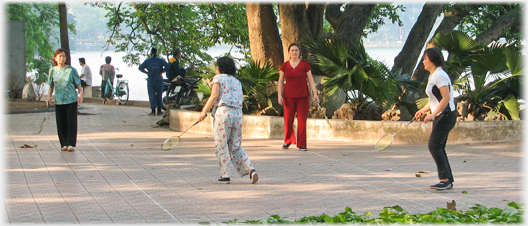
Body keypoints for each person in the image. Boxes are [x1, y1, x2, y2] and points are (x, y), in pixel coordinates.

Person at [199, 56, 258, 184]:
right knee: (236, 146)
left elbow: (214, 95)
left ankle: (225, 175)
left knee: (222, 145)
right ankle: (250, 169)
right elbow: (241, 98)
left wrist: (204, 111)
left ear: (219, 68)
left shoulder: (217, 78)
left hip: (223, 113)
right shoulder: (237, 81)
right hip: (237, 113)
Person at [414, 48, 457, 191]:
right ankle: (447, 180)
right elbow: (434, 99)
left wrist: (433, 114)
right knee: (438, 146)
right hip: (440, 115)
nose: (423, 62)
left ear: (433, 60)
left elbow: (446, 98)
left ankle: (445, 179)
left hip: (446, 116)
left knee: (434, 145)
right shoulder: (433, 76)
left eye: (425, 59)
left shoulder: (440, 75)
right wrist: (423, 110)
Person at [277, 43, 319, 151]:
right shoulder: (285, 66)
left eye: (296, 50)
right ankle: (288, 140)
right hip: (289, 96)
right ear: (289, 52)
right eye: (292, 50)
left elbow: (310, 80)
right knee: (288, 120)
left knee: (301, 120)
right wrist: (279, 95)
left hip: (303, 96)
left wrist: (315, 93)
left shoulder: (305, 65)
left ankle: (301, 143)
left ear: (299, 52)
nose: (294, 52)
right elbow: (281, 81)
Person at [46, 48, 84, 152]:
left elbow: (78, 84)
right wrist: (48, 97)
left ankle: (71, 143)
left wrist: (81, 93)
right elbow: (51, 85)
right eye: (60, 56)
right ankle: (64, 143)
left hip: (71, 99)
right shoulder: (53, 70)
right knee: (61, 121)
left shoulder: (71, 70)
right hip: (59, 100)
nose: (62, 58)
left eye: (64, 56)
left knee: (71, 121)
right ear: (55, 58)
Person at [139, 47, 170, 116]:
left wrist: (147, 72)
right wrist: (162, 71)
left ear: (151, 53)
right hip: (158, 80)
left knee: (152, 95)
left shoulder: (147, 61)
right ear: (157, 53)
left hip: (151, 80)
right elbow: (168, 66)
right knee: (159, 94)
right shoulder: (161, 60)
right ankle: (159, 109)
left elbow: (140, 68)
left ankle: (153, 110)